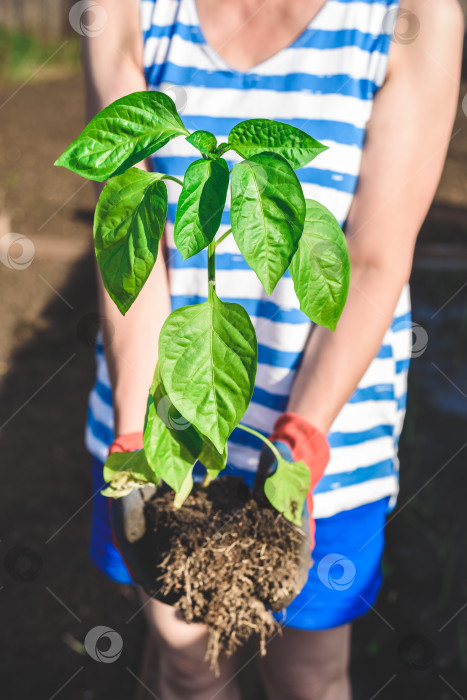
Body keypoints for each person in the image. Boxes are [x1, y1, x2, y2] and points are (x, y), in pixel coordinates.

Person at [82, 0, 463, 698]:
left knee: (308, 677)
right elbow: (128, 246)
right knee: (184, 665)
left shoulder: (412, 13)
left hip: (326, 427)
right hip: (159, 417)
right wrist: (140, 436)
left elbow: (374, 256)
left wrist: (298, 443)